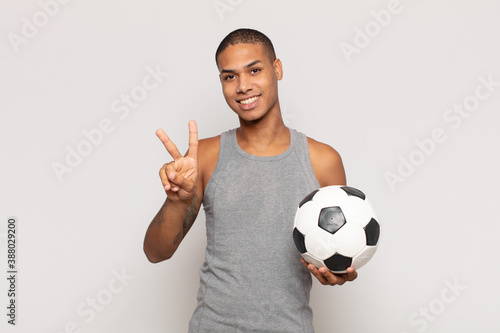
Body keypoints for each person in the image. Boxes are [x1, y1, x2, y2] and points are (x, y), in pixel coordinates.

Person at [143, 28, 358, 333]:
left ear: (277, 69)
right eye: (229, 76)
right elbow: (156, 252)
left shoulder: (324, 161)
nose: (243, 86)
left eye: (254, 70)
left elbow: (336, 254)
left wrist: (336, 272)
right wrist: (176, 201)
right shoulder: (204, 156)